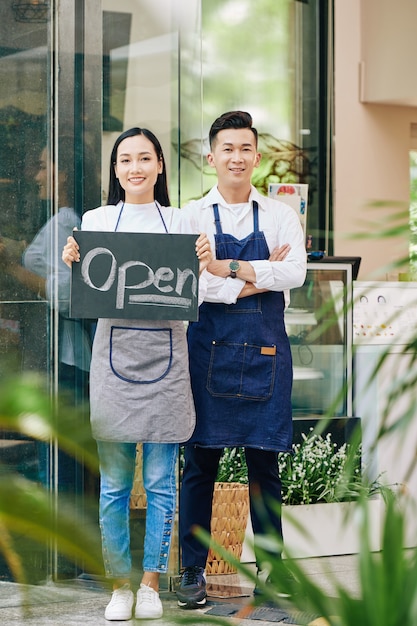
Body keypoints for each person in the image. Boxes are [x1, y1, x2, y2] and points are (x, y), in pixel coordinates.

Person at [62, 127, 211, 621]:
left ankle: (150, 583)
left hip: (169, 360)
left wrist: (209, 265)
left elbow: (199, 291)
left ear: (160, 166)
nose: (135, 168)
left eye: (144, 158)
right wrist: (72, 262)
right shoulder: (98, 220)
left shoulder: (182, 220)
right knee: (113, 486)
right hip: (112, 361)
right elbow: (86, 288)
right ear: (116, 169)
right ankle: (119, 585)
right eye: (125, 160)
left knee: (162, 481)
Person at [176, 111, 307, 609]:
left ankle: (271, 568)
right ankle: (192, 571)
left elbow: (294, 272)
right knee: (199, 466)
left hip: (265, 357)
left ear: (256, 156)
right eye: (227, 149)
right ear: (212, 158)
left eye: (245, 148)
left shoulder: (279, 214)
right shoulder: (190, 215)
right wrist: (255, 276)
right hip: (207, 355)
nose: (237, 157)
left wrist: (223, 267)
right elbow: (193, 285)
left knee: (264, 468)